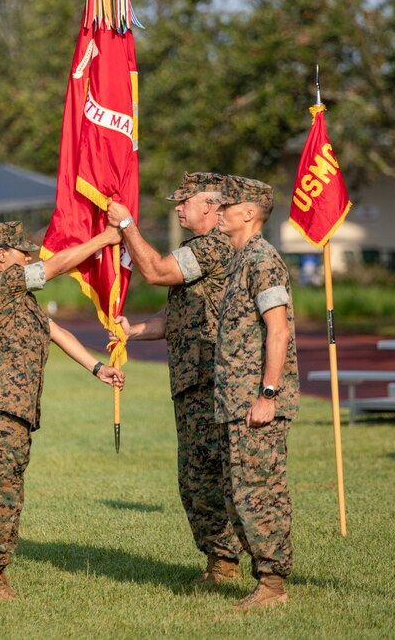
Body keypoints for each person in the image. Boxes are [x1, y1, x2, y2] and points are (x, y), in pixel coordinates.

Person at [0, 220, 125, 601]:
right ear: (1, 255)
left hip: (13, 412)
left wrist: (99, 368)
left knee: (10, 493)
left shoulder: (21, 299)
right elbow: (57, 266)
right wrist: (103, 239)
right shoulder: (2, 285)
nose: (28, 257)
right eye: (21, 252)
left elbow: (60, 334)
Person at [107, 172, 242, 585]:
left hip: (215, 381)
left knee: (218, 475)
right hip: (191, 382)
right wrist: (135, 331)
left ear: (211, 207)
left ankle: (238, 564)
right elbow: (175, 314)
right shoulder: (195, 248)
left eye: (186, 201)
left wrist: (128, 224)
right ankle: (221, 565)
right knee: (195, 477)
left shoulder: (216, 245)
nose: (178, 207)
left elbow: (156, 272)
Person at [206, 176, 299, 611]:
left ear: (249, 213)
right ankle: (265, 580)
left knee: (259, 492)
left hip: (255, 403)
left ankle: (273, 585)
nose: (218, 212)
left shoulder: (263, 259)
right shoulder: (239, 260)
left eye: (227, 206)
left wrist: (267, 394)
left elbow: (277, 330)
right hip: (235, 402)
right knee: (237, 493)